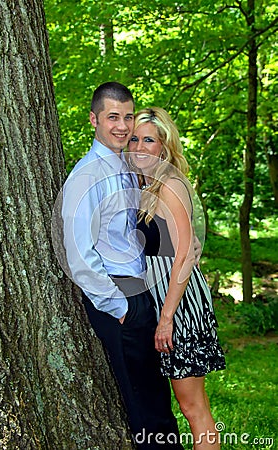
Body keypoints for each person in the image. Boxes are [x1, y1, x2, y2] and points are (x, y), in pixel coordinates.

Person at [61, 83, 184, 449]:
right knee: (144, 408)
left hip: (139, 293)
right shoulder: (87, 176)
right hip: (119, 299)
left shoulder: (126, 166)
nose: (122, 125)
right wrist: (120, 306)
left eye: (128, 116)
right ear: (94, 119)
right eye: (112, 116)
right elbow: (79, 253)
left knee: (156, 401)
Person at [128, 107, 226, 450]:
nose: (140, 145)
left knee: (192, 405)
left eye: (149, 140)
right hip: (159, 298)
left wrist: (167, 317)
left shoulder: (169, 184)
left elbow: (183, 254)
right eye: (134, 138)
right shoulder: (145, 185)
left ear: (164, 146)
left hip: (179, 302)